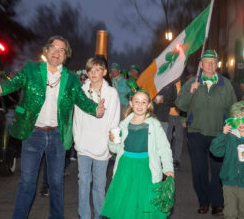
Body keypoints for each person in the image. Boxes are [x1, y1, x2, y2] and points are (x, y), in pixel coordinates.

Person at [0, 35, 105, 219]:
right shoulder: (31, 69)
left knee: (56, 183)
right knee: (27, 182)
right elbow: (13, 83)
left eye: (62, 50)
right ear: (46, 50)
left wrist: (96, 109)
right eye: (54, 47)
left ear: (65, 55)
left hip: (58, 136)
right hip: (33, 133)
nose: (57, 52)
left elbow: (82, 101)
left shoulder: (71, 79)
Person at [175, 49, 237, 215]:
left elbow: (234, 109)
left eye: (213, 62)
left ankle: (217, 203)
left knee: (218, 170)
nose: (210, 65)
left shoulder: (225, 84)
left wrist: (232, 128)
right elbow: (180, 105)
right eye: (206, 62)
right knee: (199, 170)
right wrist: (190, 92)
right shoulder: (192, 82)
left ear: (217, 64)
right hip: (197, 133)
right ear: (201, 65)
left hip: (219, 133)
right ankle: (203, 201)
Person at [101, 85, 174, 219]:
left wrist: (168, 169)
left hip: (146, 168)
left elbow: (164, 148)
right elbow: (116, 149)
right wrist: (112, 141)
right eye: (136, 101)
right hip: (125, 168)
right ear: (131, 103)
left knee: (144, 205)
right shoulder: (124, 124)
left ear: (149, 105)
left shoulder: (154, 124)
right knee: (125, 205)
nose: (140, 105)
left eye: (144, 102)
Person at [73, 56, 120, 219]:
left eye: (98, 70)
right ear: (86, 73)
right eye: (90, 70)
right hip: (83, 146)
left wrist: (112, 144)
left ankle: (100, 215)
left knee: (99, 185)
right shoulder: (81, 92)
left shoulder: (112, 93)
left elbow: (115, 119)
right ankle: (84, 215)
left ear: (104, 72)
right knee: (83, 183)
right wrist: (77, 140)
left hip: (102, 147)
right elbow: (76, 119)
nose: (94, 73)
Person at [166, 79, 184, 170]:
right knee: (167, 138)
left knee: (179, 138)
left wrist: (185, 117)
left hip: (180, 114)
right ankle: (167, 159)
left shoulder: (184, 83)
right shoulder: (169, 81)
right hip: (168, 114)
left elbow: (186, 100)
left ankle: (177, 160)